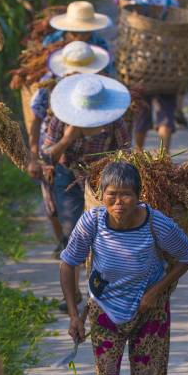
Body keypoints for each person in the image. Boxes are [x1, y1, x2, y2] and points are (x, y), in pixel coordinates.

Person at [59, 161, 188, 375]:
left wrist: (156, 291)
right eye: (111, 195)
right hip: (105, 312)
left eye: (126, 195)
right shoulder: (92, 222)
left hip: (150, 313)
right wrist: (74, 314)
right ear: (101, 195)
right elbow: (67, 263)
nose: (118, 203)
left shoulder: (156, 223)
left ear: (139, 196)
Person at [26, 2, 114, 257]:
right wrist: (36, 153)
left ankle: (74, 251)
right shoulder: (52, 88)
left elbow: (120, 136)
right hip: (63, 159)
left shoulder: (101, 76)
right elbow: (37, 120)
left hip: (92, 161)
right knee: (55, 204)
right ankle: (66, 244)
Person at [41, 73, 131, 311]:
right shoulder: (60, 121)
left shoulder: (114, 122)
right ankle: (74, 293)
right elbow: (47, 153)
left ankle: (101, 290)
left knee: (104, 236)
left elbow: (126, 152)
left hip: (101, 179)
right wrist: (68, 139)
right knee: (73, 232)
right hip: (67, 174)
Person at [122, 0, 180, 151]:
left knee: (141, 110)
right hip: (166, 64)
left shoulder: (135, 4)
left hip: (142, 64)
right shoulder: (171, 3)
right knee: (166, 111)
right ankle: (164, 155)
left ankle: (138, 151)